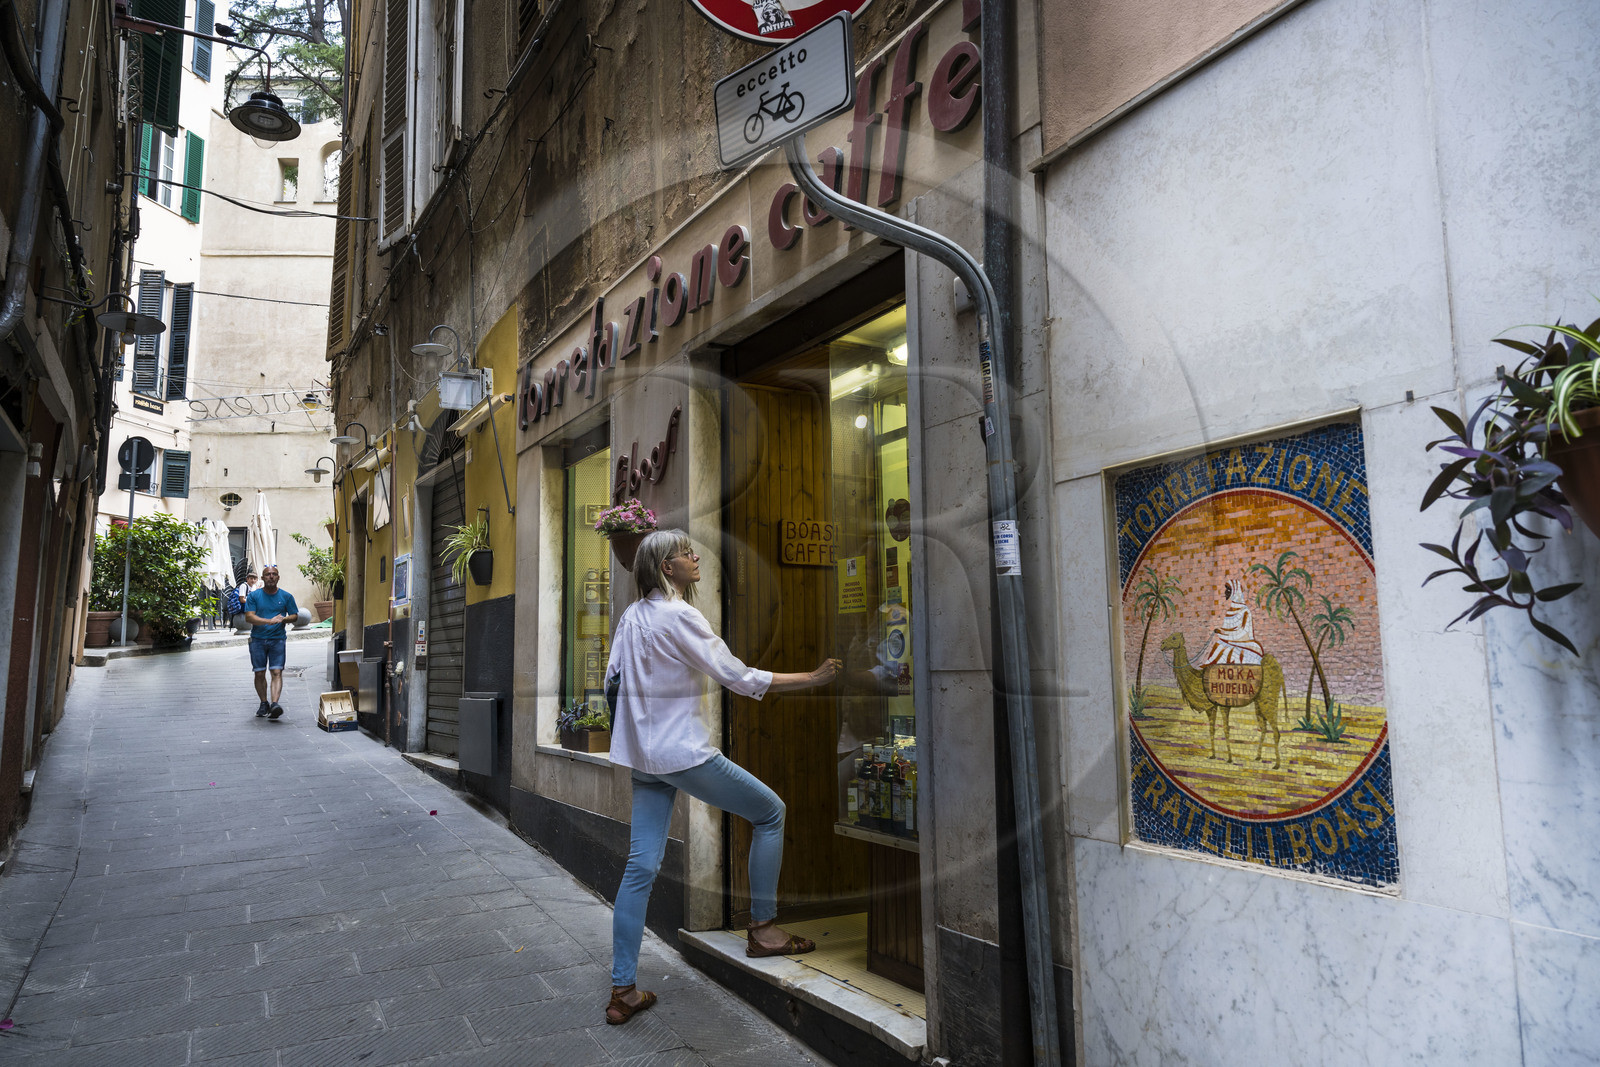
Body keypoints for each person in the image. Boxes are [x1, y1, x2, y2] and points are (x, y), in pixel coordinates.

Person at [604, 529, 841, 1026]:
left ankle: (622, 989)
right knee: (771, 812)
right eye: (685, 554)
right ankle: (764, 930)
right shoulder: (681, 616)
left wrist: (635, 735)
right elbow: (736, 674)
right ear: (667, 568)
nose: (695, 558)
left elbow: (612, 683)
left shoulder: (630, 617)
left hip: (645, 760)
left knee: (641, 866)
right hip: (682, 754)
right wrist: (810, 679)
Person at [244, 565, 298, 718]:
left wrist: (284, 619)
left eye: (274, 574)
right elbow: (249, 617)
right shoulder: (254, 596)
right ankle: (263, 703)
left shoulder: (286, 596)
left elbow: (294, 615)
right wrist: (270, 621)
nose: (271, 577)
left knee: (276, 671)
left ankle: (274, 704)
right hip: (257, 640)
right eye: (268, 574)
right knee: (259, 673)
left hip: (278, 640)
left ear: (278, 577)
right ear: (262, 578)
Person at [1199, 578, 1264, 666]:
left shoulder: (1245, 611)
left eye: (1228, 590)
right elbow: (1228, 629)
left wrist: (1222, 633)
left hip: (1244, 643)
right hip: (1230, 641)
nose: (1225, 592)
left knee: (1227, 650)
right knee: (1218, 645)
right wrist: (1222, 632)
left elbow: (1243, 633)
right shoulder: (1229, 611)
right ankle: (1208, 666)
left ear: (1235, 592)